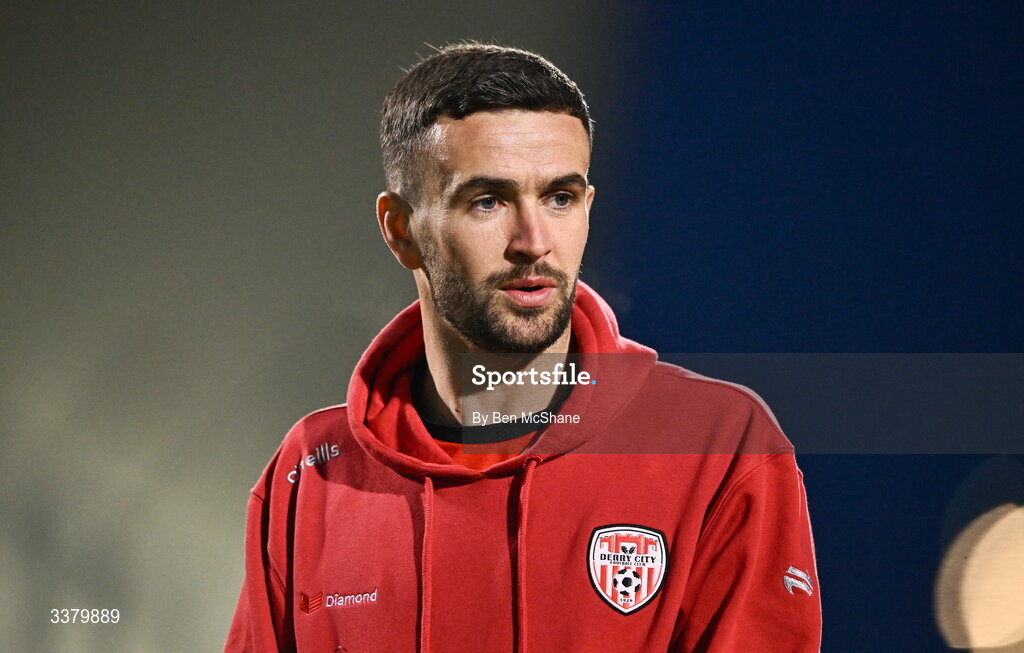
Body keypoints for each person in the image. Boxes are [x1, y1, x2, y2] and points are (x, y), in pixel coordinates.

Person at [224, 42, 821, 652]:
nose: (534, 242)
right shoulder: (310, 477)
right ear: (401, 231)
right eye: (488, 202)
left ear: (588, 209)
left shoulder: (718, 445)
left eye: (559, 198)